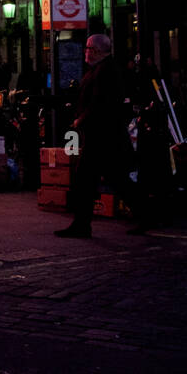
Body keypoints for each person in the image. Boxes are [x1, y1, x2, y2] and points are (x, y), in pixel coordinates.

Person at [57, 34, 135, 237]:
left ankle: (82, 225)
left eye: (88, 48)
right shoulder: (101, 69)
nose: (86, 52)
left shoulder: (106, 71)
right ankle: (145, 214)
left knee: (86, 180)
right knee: (114, 179)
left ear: (97, 51)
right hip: (103, 136)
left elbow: (99, 103)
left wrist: (80, 120)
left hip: (102, 136)